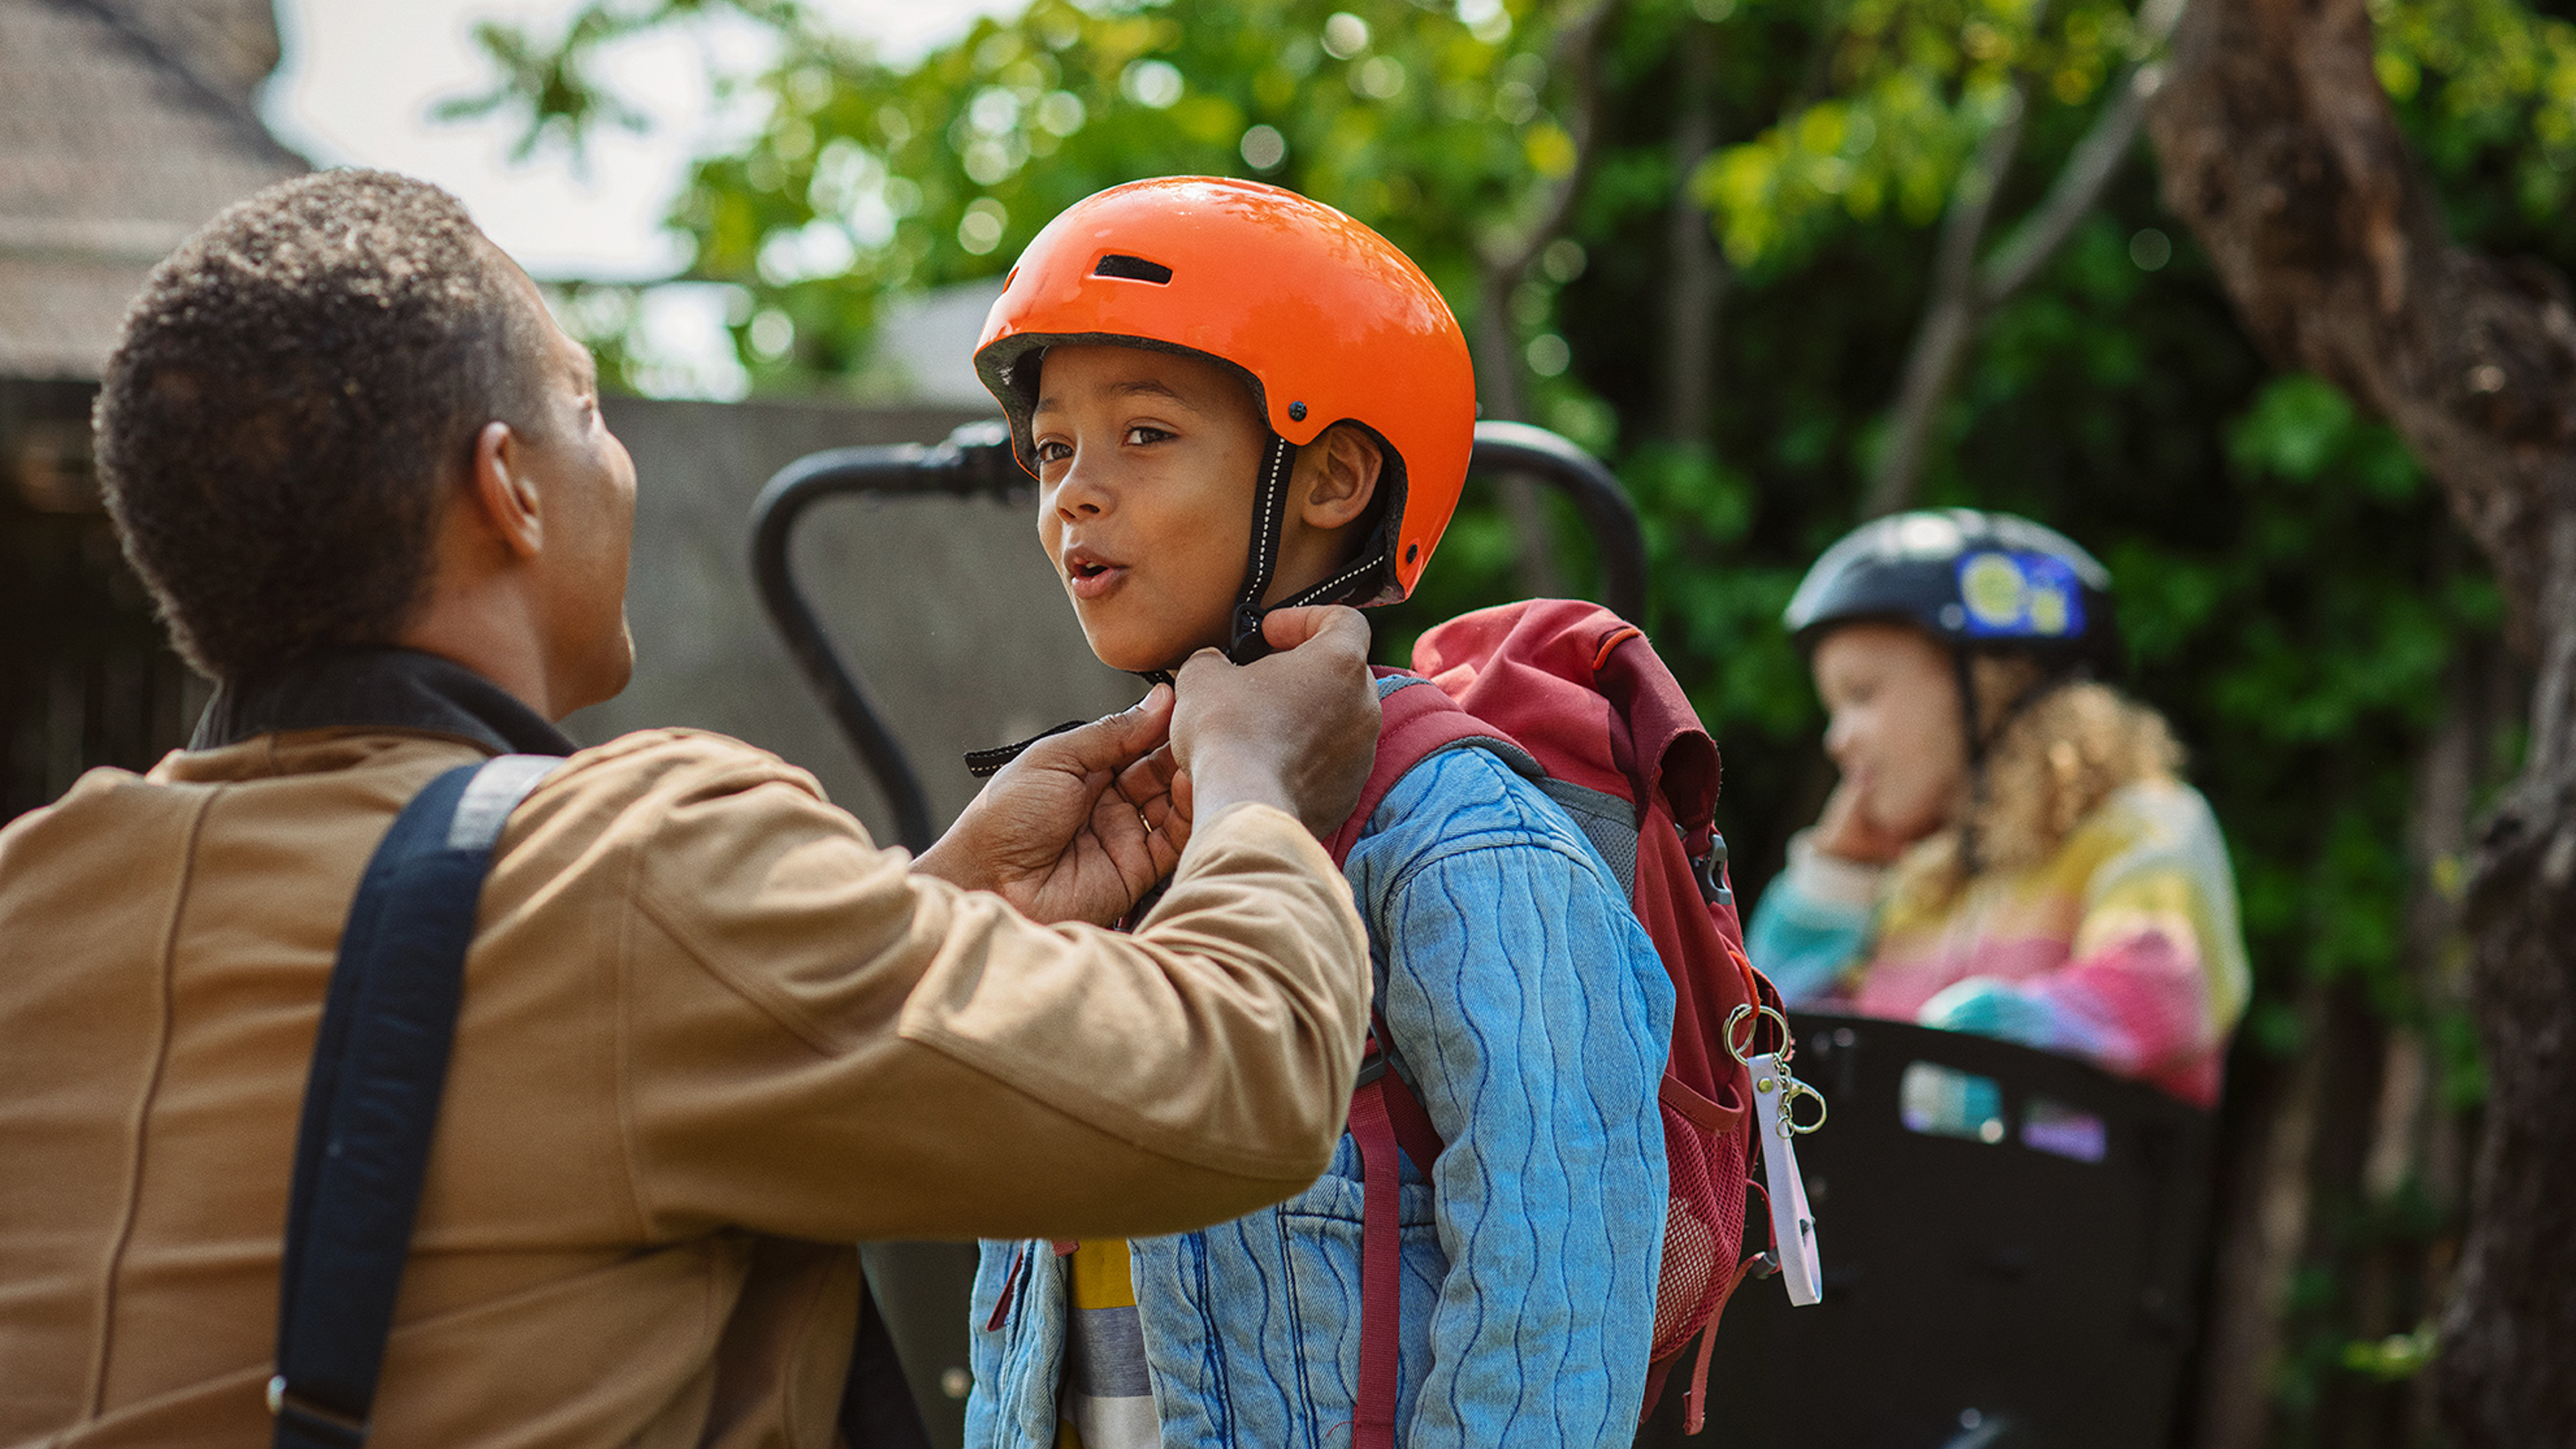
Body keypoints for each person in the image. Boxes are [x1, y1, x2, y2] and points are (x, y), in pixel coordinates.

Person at [0, 169, 1392, 1446]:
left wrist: (940, 913)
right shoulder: (637, 865)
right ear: (507, 491)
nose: (620, 463)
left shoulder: (38, 896)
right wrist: (1257, 782)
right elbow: (1242, 1081)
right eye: (590, 410)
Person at [961, 177, 1674, 1449]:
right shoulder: (1097, 832)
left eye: (1145, 435)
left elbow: (1557, 1295)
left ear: (1336, 475)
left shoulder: (1458, 840)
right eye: (1054, 447)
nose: (1071, 491)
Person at [1744, 508, 2249, 1106]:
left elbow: (2166, 988)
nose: (1838, 739)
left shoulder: (2142, 827)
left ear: (1989, 681)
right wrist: (1835, 881)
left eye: (1862, 695)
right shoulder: (1920, 883)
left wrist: (1998, 1041)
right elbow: (1774, 1053)